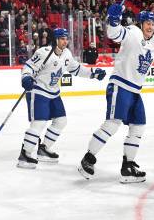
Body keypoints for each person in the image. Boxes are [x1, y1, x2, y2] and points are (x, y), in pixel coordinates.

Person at [78, 5, 154, 183]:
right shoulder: (133, 32)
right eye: (147, 23)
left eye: (153, 24)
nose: (150, 27)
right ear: (141, 23)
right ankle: (88, 159)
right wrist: (113, 20)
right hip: (120, 85)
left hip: (135, 91)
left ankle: (127, 166)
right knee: (112, 124)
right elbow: (114, 34)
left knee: (138, 126)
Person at [17, 28, 106, 169]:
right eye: (62, 39)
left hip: (54, 92)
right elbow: (28, 67)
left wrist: (93, 74)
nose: (65, 41)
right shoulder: (43, 53)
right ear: (55, 40)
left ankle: (44, 148)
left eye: (66, 39)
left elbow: (77, 69)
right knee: (39, 123)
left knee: (61, 121)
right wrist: (26, 77)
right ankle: (25, 154)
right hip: (38, 91)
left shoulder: (67, 54)